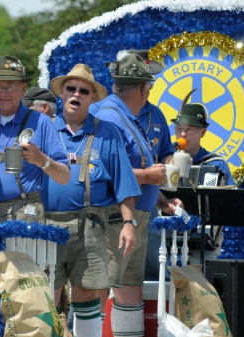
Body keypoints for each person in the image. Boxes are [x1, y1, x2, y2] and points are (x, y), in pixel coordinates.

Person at [0, 55, 71, 328]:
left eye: (10, 85)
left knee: (21, 291)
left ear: (23, 88)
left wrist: (42, 160)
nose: (2, 92)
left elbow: (65, 175)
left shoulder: (41, 123)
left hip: (23, 213)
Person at [43, 64, 140, 337]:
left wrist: (129, 224)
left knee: (86, 295)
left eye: (83, 91)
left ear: (92, 98)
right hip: (47, 224)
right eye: (71, 88)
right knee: (48, 295)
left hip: (91, 225)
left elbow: (124, 184)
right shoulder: (45, 129)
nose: (76, 94)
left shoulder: (108, 133)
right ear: (61, 93)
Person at [89, 53, 182, 337]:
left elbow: (140, 165)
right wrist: (147, 177)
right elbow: (99, 169)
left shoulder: (126, 115)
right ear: (142, 88)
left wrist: (161, 199)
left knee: (129, 287)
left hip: (136, 216)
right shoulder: (108, 117)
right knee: (98, 288)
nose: (149, 91)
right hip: (116, 219)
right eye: (149, 86)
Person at [170, 95, 235, 264]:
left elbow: (232, 201)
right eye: (178, 128)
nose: (183, 134)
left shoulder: (216, 163)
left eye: (190, 129)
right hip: (165, 238)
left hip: (203, 245)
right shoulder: (164, 157)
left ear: (203, 132)